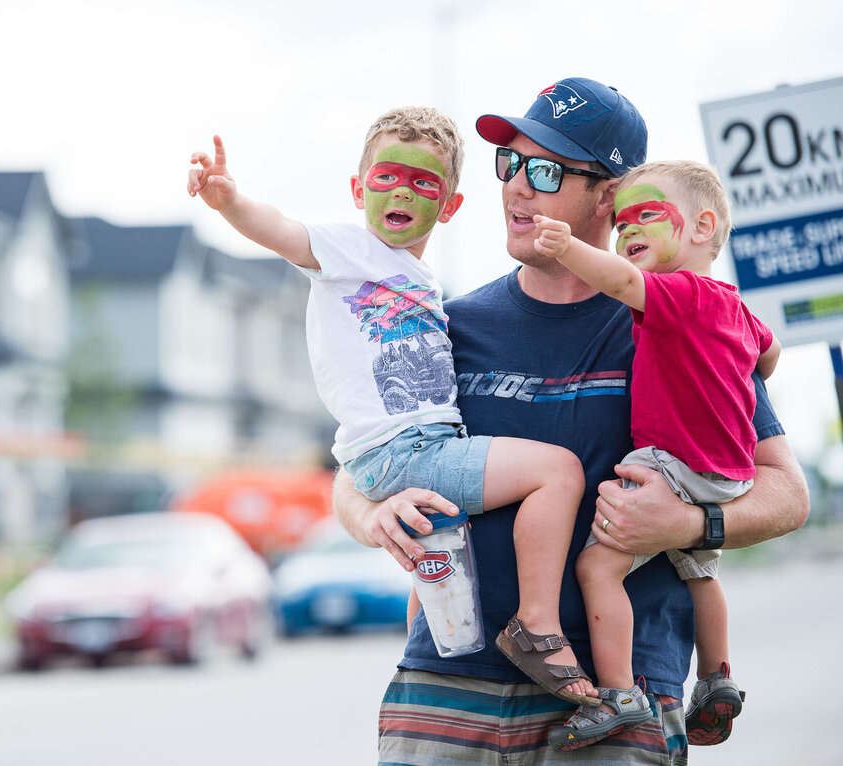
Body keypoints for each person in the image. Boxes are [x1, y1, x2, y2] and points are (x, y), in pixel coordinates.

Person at [332, 77, 809, 765]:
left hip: (617, 704)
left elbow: (786, 494)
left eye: (547, 170)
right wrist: (367, 515)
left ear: (609, 197)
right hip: (447, 684)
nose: (517, 188)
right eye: (511, 164)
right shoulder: (447, 325)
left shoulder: (683, 319)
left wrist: (686, 525)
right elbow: (355, 469)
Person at [186, 107, 605, 705]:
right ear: (359, 190)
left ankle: (442, 647)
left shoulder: (422, 279)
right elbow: (283, 230)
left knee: (444, 557)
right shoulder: (348, 250)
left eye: (423, 182)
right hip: (402, 450)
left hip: (426, 445)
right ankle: (536, 625)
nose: (402, 191)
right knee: (557, 472)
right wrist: (230, 202)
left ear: (450, 205)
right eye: (386, 177)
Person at [533, 159, 780, 748]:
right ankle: (717, 679)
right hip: (727, 472)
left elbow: (621, 285)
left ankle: (618, 694)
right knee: (699, 571)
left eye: (647, 215)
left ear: (702, 228)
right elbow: (768, 357)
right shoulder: (734, 308)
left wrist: (569, 246)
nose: (627, 231)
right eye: (621, 223)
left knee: (598, 566)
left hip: (672, 463)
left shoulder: (681, 295)